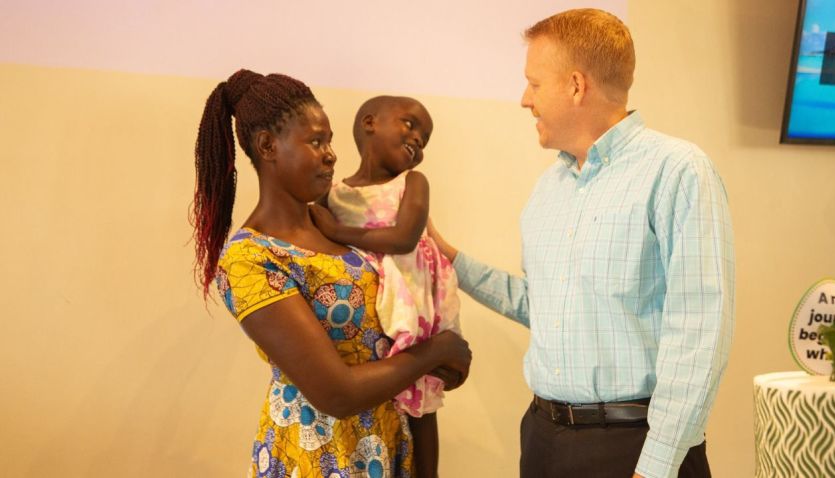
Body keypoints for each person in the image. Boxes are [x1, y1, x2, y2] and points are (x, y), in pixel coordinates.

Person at [428, 8, 734, 478]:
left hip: (636, 448)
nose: (524, 100)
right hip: (543, 439)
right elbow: (543, 305)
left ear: (575, 85)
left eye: (534, 83)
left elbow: (699, 332)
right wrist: (452, 260)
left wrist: (656, 466)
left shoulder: (677, 171)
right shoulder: (548, 191)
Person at [191, 69, 471, 478]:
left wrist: (435, 362)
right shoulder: (250, 259)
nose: (331, 154)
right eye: (315, 141)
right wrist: (436, 352)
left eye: (330, 141)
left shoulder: (339, 222)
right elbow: (337, 394)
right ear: (268, 146)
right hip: (320, 458)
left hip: (389, 448)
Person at [309, 96, 461, 478]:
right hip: (367, 307)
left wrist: (338, 230)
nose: (418, 141)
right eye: (411, 124)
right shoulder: (334, 193)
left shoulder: (412, 182)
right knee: (375, 393)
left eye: (424, 139)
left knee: (419, 397)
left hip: (411, 298)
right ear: (370, 123)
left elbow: (405, 237)